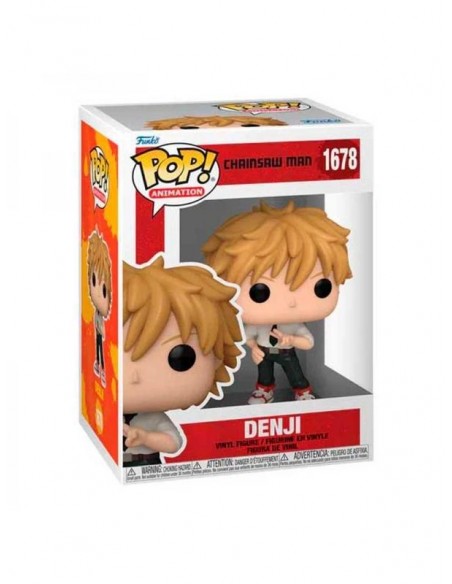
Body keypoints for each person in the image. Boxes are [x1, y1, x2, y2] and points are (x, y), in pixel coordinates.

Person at [203, 201, 352, 404]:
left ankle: (302, 391)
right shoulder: (258, 325)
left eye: (321, 287)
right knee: (264, 374)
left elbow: (308, 342)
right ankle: (264, 392)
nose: (291, 302)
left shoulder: (294, 325)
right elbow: (247, 337)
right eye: (260, 292)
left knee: (295, 373)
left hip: (287, 352)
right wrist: (254, 347)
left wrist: (292, 340)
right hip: (265, 352)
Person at [122, 255, 243, 466]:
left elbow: (174, 443)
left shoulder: (154, 419)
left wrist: (146, 438)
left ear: (217, 359)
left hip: (146, 464)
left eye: (180, 358)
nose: (134, 376)